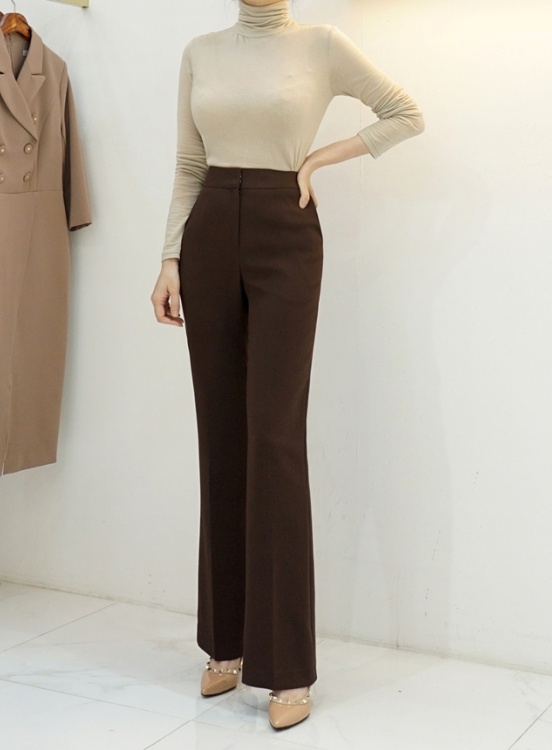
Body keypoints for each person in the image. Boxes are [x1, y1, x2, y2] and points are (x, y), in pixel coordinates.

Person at [151, 0, 424, 731]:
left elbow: (405, 113)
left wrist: (320, 158)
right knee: (221, 436)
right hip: (209, 230)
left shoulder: (322, 44)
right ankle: (226, 642)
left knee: (273, 439)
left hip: (285, 229)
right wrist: (170, 258)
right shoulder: (201, 51)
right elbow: (189, 163)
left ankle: (287, 667)